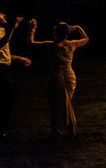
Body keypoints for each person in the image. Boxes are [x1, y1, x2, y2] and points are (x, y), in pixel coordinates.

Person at [27, 19, 89, 138]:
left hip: (57, 76)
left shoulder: (51, 45)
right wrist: (77, 27)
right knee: (66, 102)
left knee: (57, 103)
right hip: (69, 75)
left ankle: (59, 130)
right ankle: (66, 129)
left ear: (56, 32)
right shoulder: (72, 44)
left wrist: (32, 28)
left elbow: (31, 43)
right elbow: (86, 38)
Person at [0, 11, 31, 140]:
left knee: (8, 98)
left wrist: (19, 58)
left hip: (3, 68)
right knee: (7, 97)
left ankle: (3, 128)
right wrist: (13, 27)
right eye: (1, 15)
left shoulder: (2, 31)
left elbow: (3, 54)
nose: (4, 16)